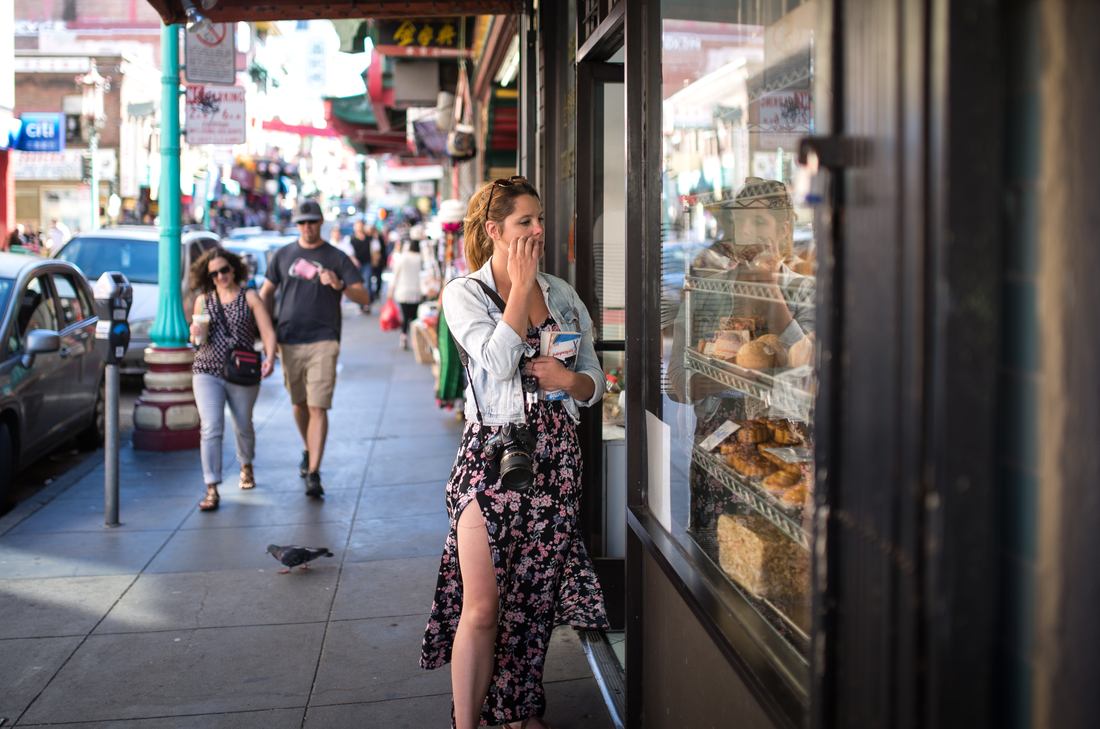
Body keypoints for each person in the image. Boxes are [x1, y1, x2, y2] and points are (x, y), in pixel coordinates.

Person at [420, 176, 608, 729]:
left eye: (539, 219)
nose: (538, 230)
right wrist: (520, 288)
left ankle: (517, 709)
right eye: (525, 221)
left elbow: (596, 382)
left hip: (557, 457)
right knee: (481, 608)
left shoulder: (563, 294)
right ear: (494, 231)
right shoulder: (464, 293)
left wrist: (570, 381)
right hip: (493, 455)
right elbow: (497, 362)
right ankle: (466, 722)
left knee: (532, 608)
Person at [259, 200, 371, 497]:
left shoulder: (337, 257)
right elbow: (266, 293)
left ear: (321, 223)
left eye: (312, 222)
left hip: (324, 338)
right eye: (302, 222)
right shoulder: (282, 255)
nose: (307, 227)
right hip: (289, 340)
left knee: (317, 405)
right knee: (299, 404)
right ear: (296, 224)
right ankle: (309, 448)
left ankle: (314, 472)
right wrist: (267, 328)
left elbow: (364, 297)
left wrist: (339, 285)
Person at [188, 248, 277, 512]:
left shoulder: (249, 297)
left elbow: (267, 331)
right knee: (211, 427)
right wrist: (196, 333)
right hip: (207, 368)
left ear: (234, 269)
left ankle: (246, 464)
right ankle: (212, 487)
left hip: (241, 369)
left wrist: (270, 357)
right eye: (214, 273)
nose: (220, 276)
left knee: (243, 424)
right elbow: (197, 340)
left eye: (224, 270)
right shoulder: (203, 301)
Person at [387, 237, 426, 350]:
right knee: (414, 317)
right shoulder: (420, 259)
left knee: (405, 316)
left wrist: (391, 290)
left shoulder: (402, 258)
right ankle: (415, 339)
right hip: (417, 292)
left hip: (403, 292)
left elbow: (395, 275)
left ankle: (403, 336)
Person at [348, 219, 373, 314]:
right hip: (357, 265)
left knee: (367, 283)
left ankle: (367, 303)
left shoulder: (368, 237)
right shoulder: (351, 239)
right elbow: (349, 253)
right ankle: (361, 304)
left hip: (367, 263)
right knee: (358, 285)